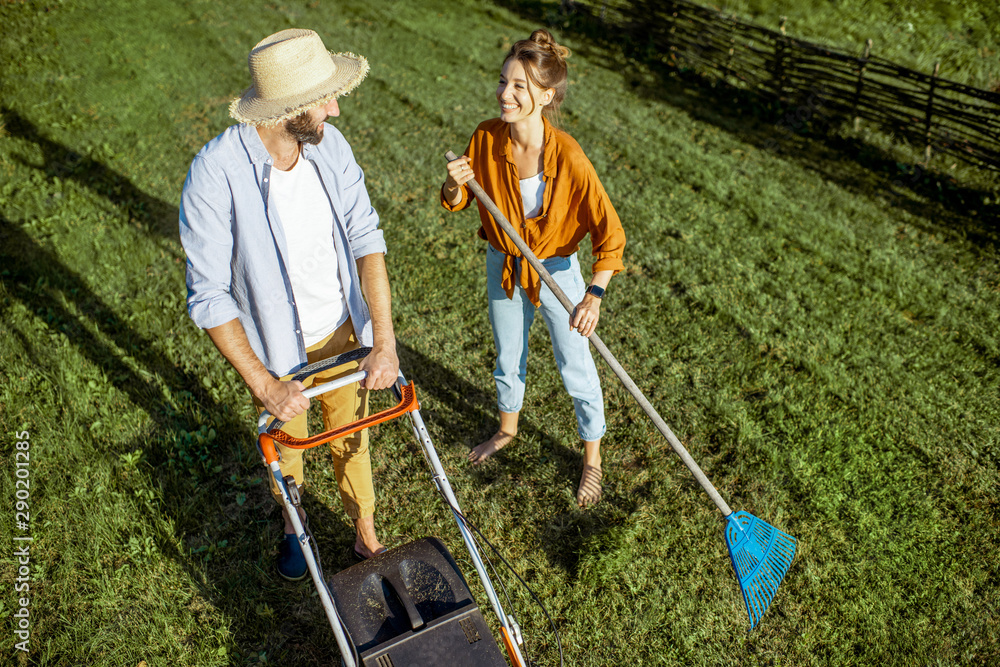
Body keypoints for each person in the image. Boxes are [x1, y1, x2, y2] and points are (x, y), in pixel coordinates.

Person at [179, 28, 399, 580]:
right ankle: (292, 524)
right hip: (278, 349)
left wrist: (384, 343)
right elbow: (208, 294)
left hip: (344, 328)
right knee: (288, 443)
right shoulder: (215, 173)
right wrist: (265, 384)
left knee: (351, 433)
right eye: (324, 99)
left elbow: (367, 239)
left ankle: (364, 529)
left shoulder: (329, 148)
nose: (335, 111)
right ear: (288, 109)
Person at [441, 29, 626, 507]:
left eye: (519, 86)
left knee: (576, 366)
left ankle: (592, 458)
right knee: (507, 355)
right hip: (503, 263)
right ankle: (507, 429)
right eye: (504, 82)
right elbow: (459, 200)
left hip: (557, 270)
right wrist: (453, 183)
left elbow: (611, 234)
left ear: (546, 95)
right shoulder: (485, 137)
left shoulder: (568, 156)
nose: (505, 94)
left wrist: (594, 294)